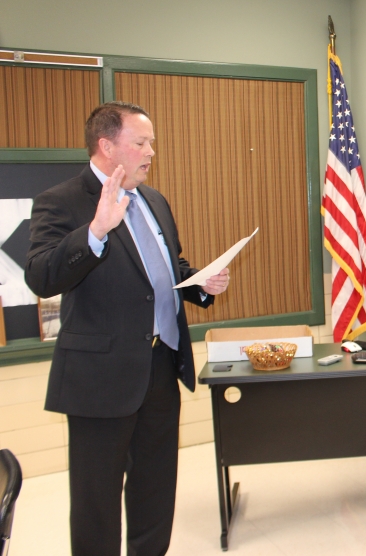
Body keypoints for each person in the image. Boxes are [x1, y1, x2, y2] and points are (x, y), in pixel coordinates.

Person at [25, 101, 231, 556]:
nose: (151, 151)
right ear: (106, 146)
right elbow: (41, 276)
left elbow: (166, 268)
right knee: (96, 500)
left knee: (155, 487)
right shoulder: (61, 200)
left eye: (151, 142)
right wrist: (96, 230)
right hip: (100, 379)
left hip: (160, 366)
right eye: (140, 142)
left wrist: (200, 283)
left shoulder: (154, 199)